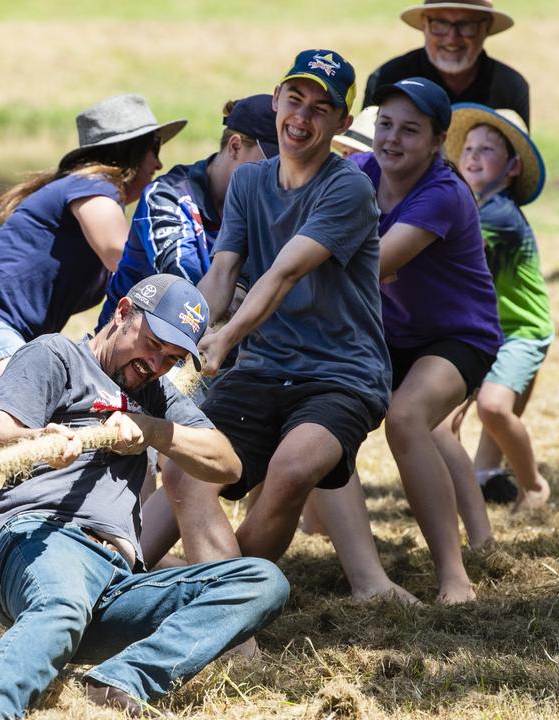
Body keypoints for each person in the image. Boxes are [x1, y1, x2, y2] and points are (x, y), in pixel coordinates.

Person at [140, 50, 414, 604]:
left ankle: (222, 604)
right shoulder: (248, 184)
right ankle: (115, 577)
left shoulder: (348, 189)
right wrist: (183, 333)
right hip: (264, 369)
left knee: (291, 469)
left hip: (342, 375)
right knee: (185, 470)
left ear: (341, 124)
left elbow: (284, 273)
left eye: (322, 107)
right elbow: (221, 275)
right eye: (295, 99)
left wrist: (227, 337)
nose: (303, 117)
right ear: (276, 102)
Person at [0, 274, 289, 720]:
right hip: (44, 541)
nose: (155, 363)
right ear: (123, 311)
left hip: (115, 581)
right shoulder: (58, 355)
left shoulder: (157, 397)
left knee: (262, 582)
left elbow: (227, 464)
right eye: (152, 344)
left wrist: (151, 430)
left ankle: (121, 681)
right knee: (64, 602)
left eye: (171, 359)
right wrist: (38, 438)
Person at [0, 94, 185, 409]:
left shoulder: (84, 190)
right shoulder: (94, 187)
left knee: (48, 417)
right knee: (31, 414)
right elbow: (121, 255)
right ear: (129, 153)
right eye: (153, 149)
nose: (158, 163)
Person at [349, 77, 503, 603]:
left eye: (409, 130)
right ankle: (481, 540)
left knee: (408, 416)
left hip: (461, 335)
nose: (391, 139)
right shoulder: (360, 172)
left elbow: (374, 264)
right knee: (323, 406)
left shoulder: (442, 193)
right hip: (394, 333)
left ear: (438, 142)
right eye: (385, 124)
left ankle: (456, 577)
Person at [444, 103, 552, 511]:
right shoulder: (466, 204)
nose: (473, 155)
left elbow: (444, 247)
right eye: (469, 147)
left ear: (512, 169)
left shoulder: (500, 216)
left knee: (492, 407)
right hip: (481, 329)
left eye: (488, 149)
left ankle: (535, 484)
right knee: (444, 418)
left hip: (521, 331)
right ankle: (470, 486)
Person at [95, 94, 277, 329]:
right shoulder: (167, 196)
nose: (278, 177)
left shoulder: (267, 209)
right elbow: (188, 293)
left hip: (217, 353)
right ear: (235, 147)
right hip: (134, 349)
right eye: (271, 163)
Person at [363, 0, 530, 128]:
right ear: (424, 25)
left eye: (466, 25)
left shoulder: (510, 87)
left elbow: (519, 164)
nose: (452, 39)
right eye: (440, 24)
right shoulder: (388, 79)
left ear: (486, 27)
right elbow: (363, 156)